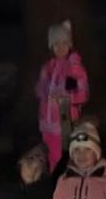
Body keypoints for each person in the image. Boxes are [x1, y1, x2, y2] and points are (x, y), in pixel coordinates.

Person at [36, 20, 90, 169]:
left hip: (65, 121)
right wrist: (44, 90)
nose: (60, 48)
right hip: (48, 124)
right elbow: (40, 91)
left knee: (65, 157)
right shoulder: (48, 67)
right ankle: (55, 181)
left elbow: (81, 92)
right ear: (51, 46)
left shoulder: (73, 67)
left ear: (70, 45)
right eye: (56, 44)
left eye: (64, 43)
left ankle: (66, 180)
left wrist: (64, 96)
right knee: (51, 158)